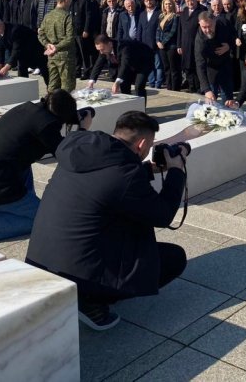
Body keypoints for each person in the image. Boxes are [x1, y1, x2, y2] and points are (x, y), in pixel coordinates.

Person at [26, 111, 187, 330]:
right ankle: (90, 301)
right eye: (149, 146)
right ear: (141, 144)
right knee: (174, 258)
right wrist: (177, 171)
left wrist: (152, 169)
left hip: (42, 260)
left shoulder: (80, 149)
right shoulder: (125, 175)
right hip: (78, 277)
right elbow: (163, 215)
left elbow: (108, 181)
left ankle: (87, 293)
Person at [0, 90, 88, 243]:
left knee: (21, 158)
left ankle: (22, 206)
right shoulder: (46, 126)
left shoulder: (27, 109)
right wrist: (83, 130)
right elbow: (70, 157)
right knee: (47, 221)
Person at [89, 33, 154, 100]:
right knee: (124, 85)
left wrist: (117, 82)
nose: (101, 52)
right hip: (130, 63)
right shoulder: (103, 50)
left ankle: (141, 109)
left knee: (138, 86)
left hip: (144, 61)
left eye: (102, 49)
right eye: (99, 50)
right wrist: (91, 81)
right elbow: (98, 64)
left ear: (110, 44)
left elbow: (124, 64)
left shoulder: (123, 46)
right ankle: (128, 106)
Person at [0, 16, 49, 84]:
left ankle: (52, 92)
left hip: (36, 50)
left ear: (1, 23)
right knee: (22, 73)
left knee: (45, 72)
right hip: (22, 54)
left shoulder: (15, 30)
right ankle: (24, 91)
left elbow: (16, 50)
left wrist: (7, 66)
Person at [38, 0, 76, 92]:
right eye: (70, 0)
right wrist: (56, 47)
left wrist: (48, 45)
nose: (71, 2)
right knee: (67, 85)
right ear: (65, 0)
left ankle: (49, 104)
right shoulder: (67, 17)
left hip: (52, 55)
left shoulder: (48, 16)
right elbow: (70, 38)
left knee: (53, 84)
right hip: (65, 56)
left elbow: (41, 34)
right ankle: (64, 107)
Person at [195, 11, 234, 103]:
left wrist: (229, 46)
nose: (207, 30)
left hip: (225, 67)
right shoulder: (200, 42)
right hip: (210, 70)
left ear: (215, 21)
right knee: (211, 103)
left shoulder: (224, 23)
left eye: (210, 26)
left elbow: (235, 36)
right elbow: (200, 65)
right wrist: (206, 90)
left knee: (228, 101)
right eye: (204, 27)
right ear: (199, 24)